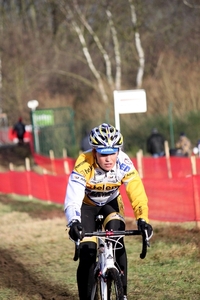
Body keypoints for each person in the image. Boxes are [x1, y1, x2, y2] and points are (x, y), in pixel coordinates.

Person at [64, 123, 153, 300]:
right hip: (86, 205)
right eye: (103, 153)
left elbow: (137, 193)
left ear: (118, 151)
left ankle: (123, 294)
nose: (108, 158)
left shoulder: (124, 164)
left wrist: (142, 219)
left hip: (111, 203)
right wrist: (74, 221)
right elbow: (73, 198)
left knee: (117, 240)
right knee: (88, 251)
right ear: (94, 151)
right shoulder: (84, 163)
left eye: (113, 152)